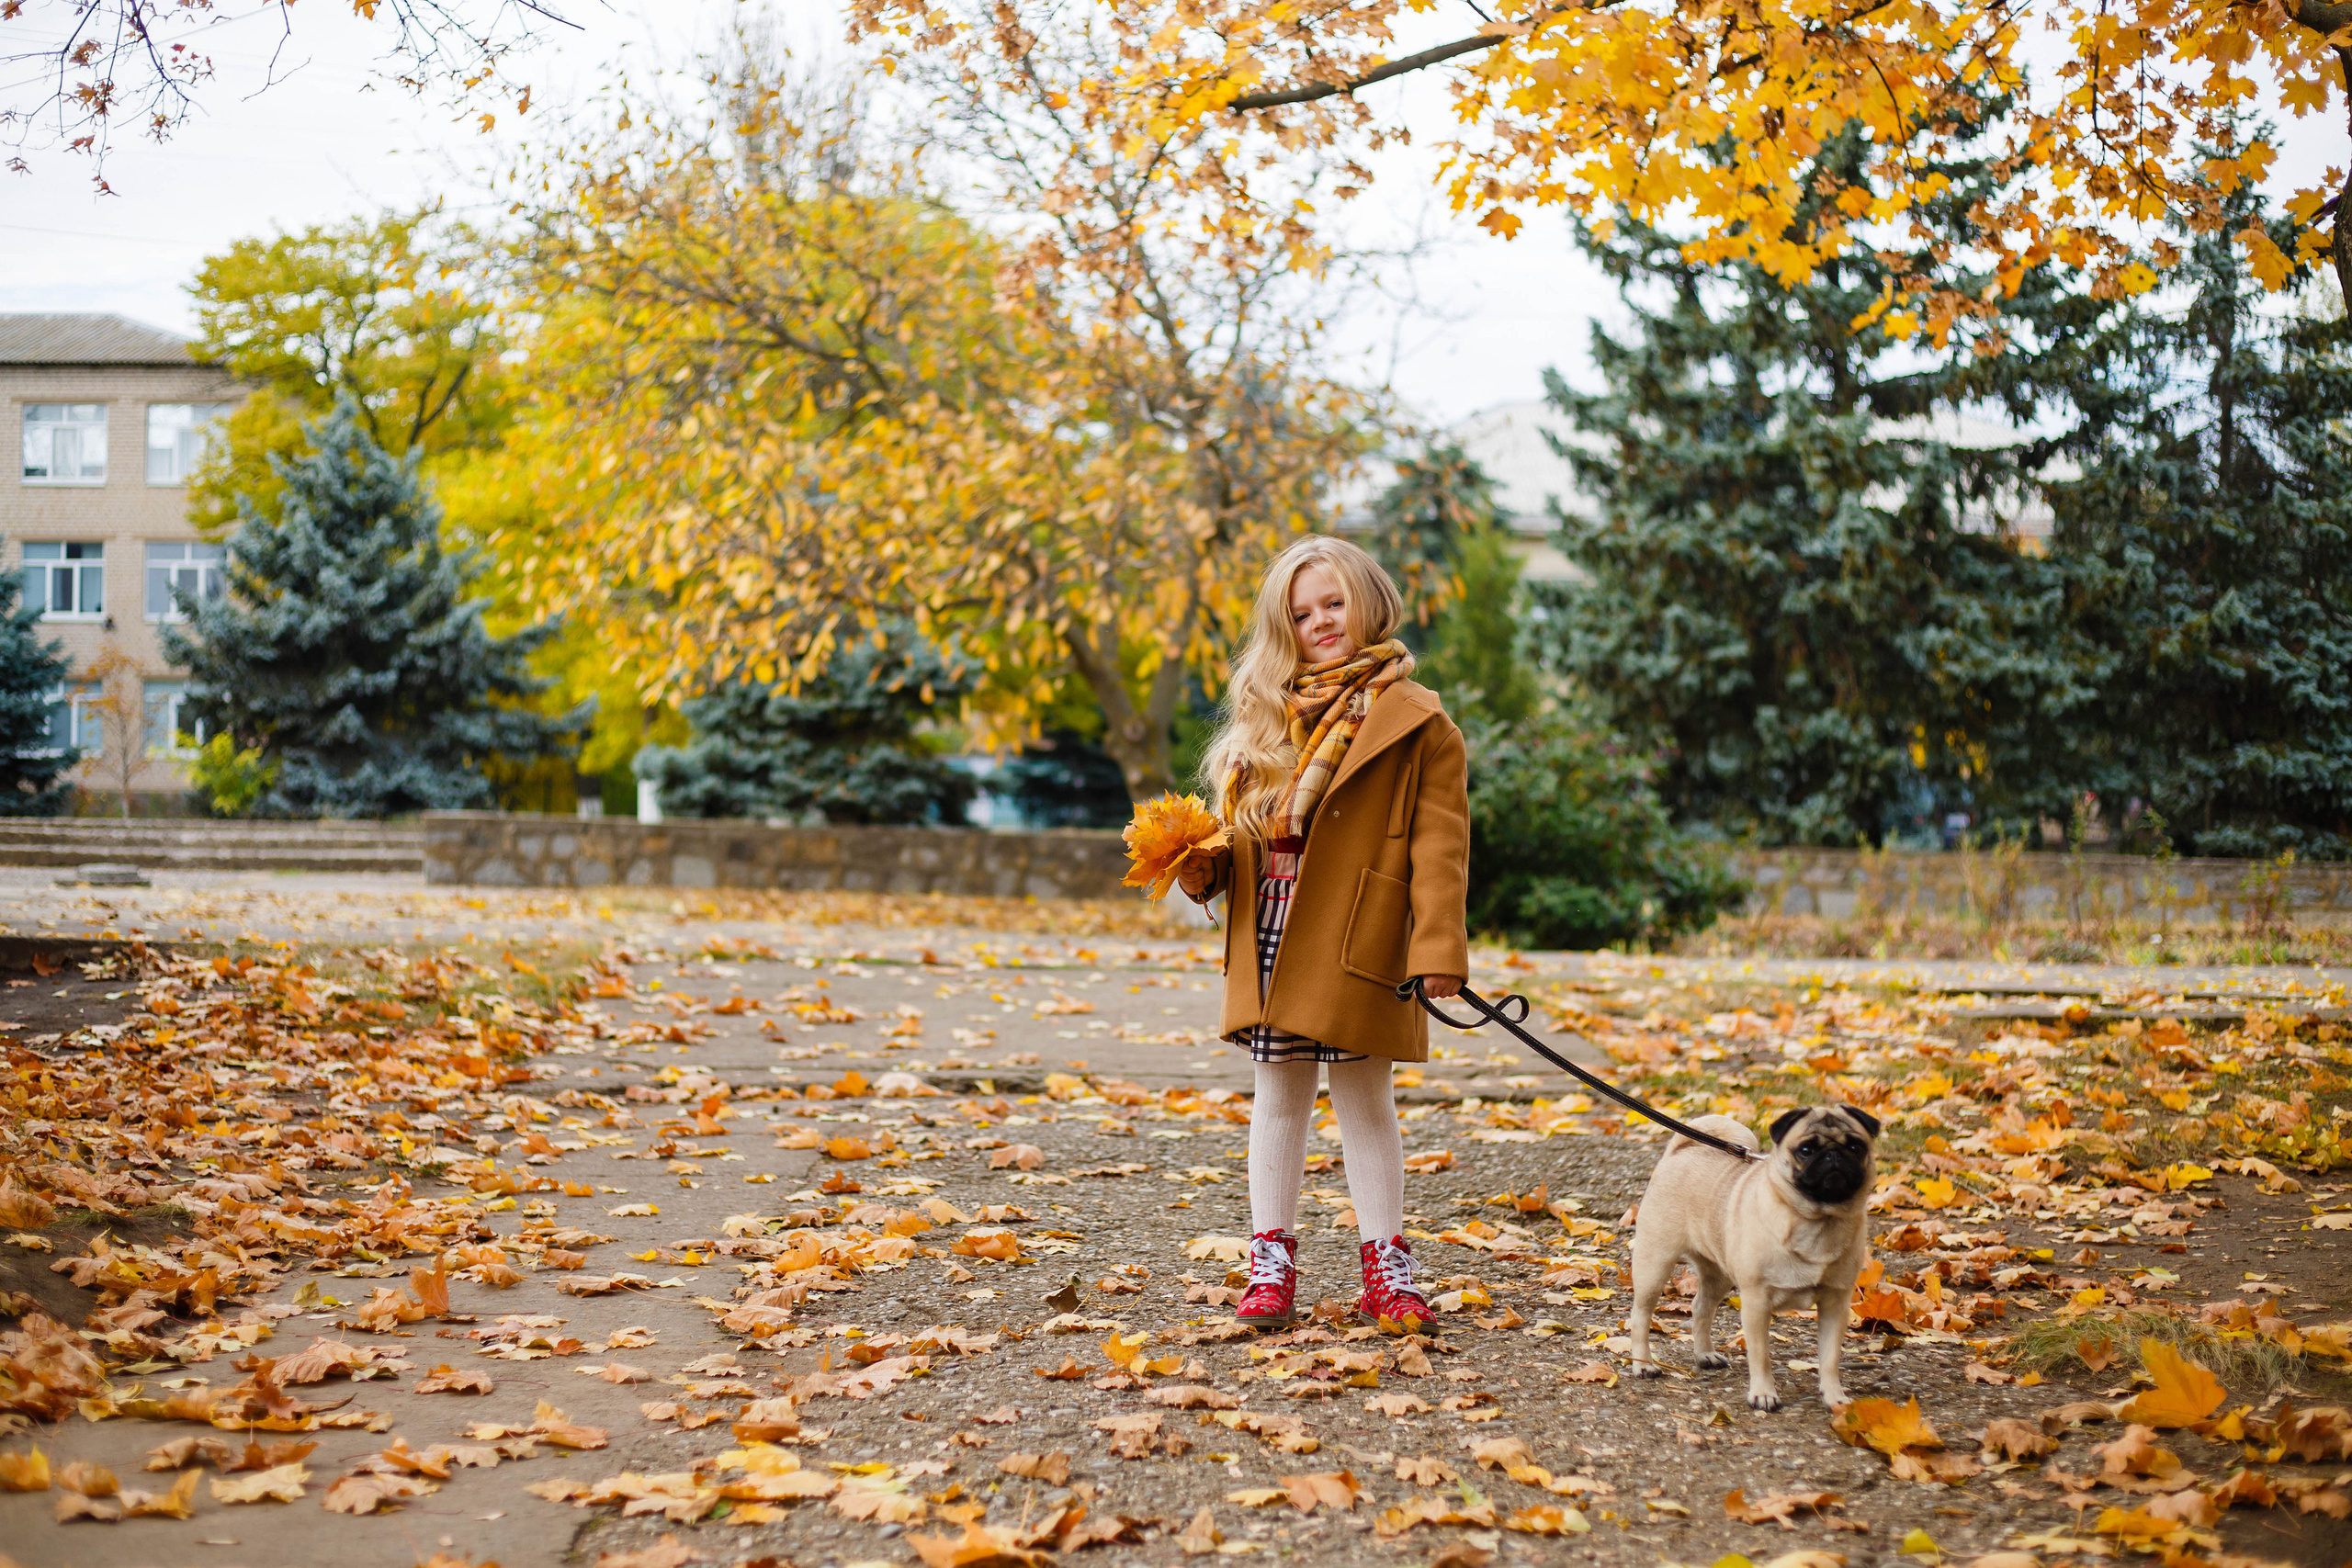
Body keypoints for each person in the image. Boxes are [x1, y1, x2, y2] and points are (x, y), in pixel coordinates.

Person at [1177, 535, 1470, 1331]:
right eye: (1302, 614)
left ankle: (1388, 1265)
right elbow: (1239, 838)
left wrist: (1439, 948)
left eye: (1334, 603)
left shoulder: (1419, 721)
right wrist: (1201, 869)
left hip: (1360, 932)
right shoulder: (1262, 719)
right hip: (1273, 927)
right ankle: (1269, 1261)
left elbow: (1441, 849)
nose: (1321, 622)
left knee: (1366, 1099)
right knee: (1278, 1097)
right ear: (1286, 627)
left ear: (1367, 601)